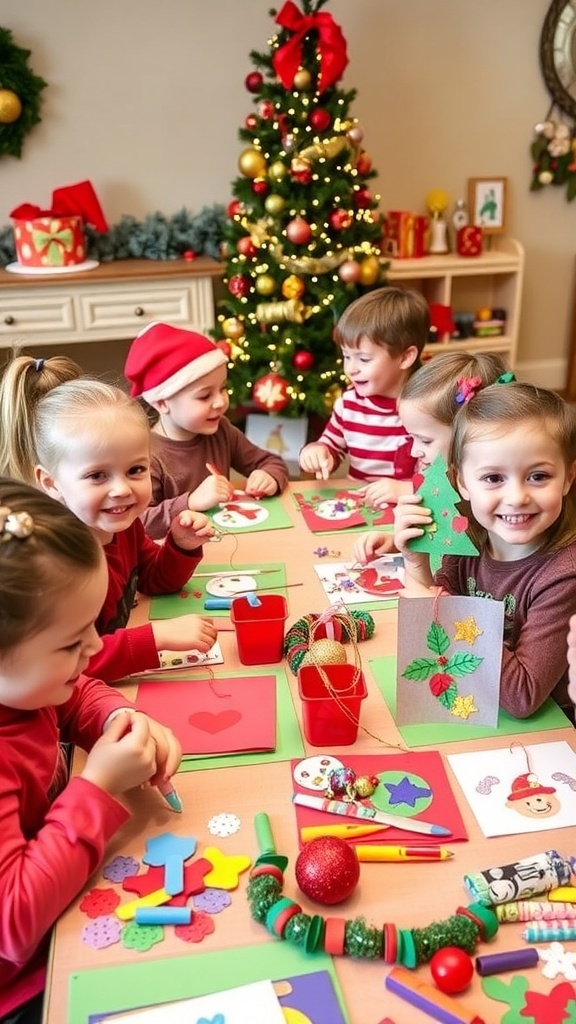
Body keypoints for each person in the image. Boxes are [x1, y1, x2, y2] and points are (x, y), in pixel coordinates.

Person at [0, 479, 181, 1024]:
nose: (97, 648)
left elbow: (75, 692)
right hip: (28, 982)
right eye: (71, 642)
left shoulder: (27, 688)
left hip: (67, 912)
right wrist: (96, 787)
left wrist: (118, 717)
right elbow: (13, 922)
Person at [0, 363, 217, 682]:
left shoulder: (123, 526)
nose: (122, 490)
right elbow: (71, 665)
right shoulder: (52, 562)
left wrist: (180, 546)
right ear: (50, 482)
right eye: (97, 475)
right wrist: (155, 638)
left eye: (136, 470)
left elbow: (153, 580)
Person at [393, 380, 576, 719]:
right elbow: (434, 624)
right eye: (493, 478)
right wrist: (416, 562)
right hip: (481, 706)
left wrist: (444, 610)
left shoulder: (564, 573)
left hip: (554, 727)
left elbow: (523, 696)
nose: (517, 497)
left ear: (568, 477)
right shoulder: (471, 541)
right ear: (462, 481)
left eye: (538, 476)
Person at [124, 322, 289, 540]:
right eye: (204, 396)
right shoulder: (145, 455)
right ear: (162, 403)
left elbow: (272, 462)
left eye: (223, 389)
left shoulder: (222, 431)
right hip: (179, 562)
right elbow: (136, 524)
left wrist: (268, 476)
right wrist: (190, 501)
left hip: (230, 545)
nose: (220, 402)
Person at [352, 351, 508, 563]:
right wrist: (397, 544)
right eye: (411, 438)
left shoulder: (495, 501)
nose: (414, 451)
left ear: (469, 435)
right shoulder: (440, 482)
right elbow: (440, 541)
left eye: (425, 441)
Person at [298, 286, 429, 504]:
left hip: (415, 510)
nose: (351, 369)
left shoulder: (429, 408)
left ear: (406, 357)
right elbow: (331, 446)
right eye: (346, 356)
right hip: (361, 507)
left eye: (364, 359)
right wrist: (317, 452)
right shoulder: (349, 404)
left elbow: (449, 476)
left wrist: (405, 489)